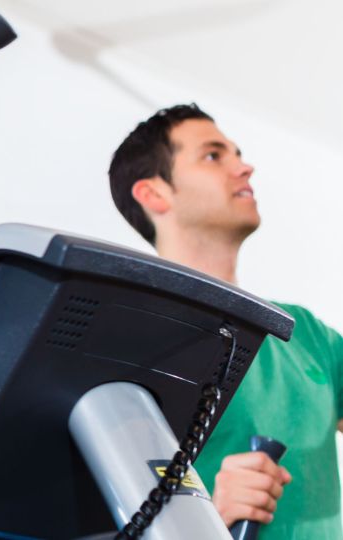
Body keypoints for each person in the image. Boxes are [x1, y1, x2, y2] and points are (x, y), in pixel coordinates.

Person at [108, 104, 343, 538]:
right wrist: (208, 514)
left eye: (238, 153)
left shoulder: (307, 333)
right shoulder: (124, 345)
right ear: (154, 194)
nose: (245, 167)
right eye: (214, 156)